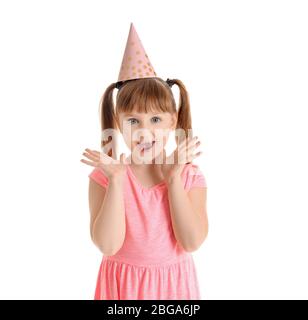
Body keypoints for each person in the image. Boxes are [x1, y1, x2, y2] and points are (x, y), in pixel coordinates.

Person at [80, 23, 209, 300]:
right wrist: (116, 181)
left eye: (155, 120)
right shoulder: (104, 176)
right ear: (118, 123)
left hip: (173, 289)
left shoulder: (189, 177)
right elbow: (108, 245)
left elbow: (191, 241)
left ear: (172, 120)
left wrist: (173, 179)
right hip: (121, 290)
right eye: (132, 121)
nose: (144, 131)